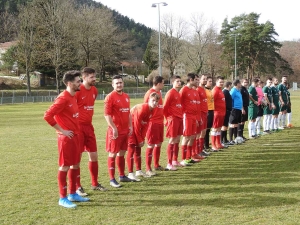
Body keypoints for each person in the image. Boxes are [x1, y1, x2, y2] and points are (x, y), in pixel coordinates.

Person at [44, 70, 89, 209]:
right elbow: (48, 115)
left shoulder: (73, 96)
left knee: (75, 165)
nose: (80, 83)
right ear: (69, 83)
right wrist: (62, 130)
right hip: (66, 138)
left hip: (76, 136)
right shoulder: (63, 98)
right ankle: (62, 198)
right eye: (77, 81)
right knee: (64, 166)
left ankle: (72, 193)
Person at [75, 67, 106, 197]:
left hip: (89, 127)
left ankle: (95, 183)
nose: (95, 79)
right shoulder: (77, 91)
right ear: (84, 77)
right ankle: (77, 186)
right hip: (78, 128)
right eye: (92, 77)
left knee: (93, 156)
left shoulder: (94, 90)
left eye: (94, 76)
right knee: (77, 159)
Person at [104, 75, 132, 188]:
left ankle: (122, 176)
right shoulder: (110, 97)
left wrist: (131, 126)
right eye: (117, 83)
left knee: (122, 152)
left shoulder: (126, 96)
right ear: (113, 85)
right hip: (115, 131)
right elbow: (107, 115)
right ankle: (112, 179)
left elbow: (128, 113)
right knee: (113, 153)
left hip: (125, 130)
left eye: (120, 82)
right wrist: (114, 128)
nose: (119, 85)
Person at [127, 92, 160, 180]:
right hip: (130, 127)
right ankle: (130, 173)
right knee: (131, 149)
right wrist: (139, 139)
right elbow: (137, 125)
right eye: (153, 100)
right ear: (148, 100)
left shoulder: (152, 110)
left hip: (136, 128)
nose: (154, 103)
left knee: (138, 149)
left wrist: (142, 138)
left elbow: (146, 125)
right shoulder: (143, 108)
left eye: (156, 101)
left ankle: (138, 171)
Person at [144, 76, 165, 173]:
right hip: (152, 123)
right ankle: (148, 168)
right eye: (163, 83)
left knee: (159, 144)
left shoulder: (159, 93)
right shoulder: (150, 93)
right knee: (151, 145)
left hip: (160, 122)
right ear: (158, 83)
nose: (164, 85)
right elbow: (145, 107)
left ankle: (156, 165)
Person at [163, 76, 183, 169]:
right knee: (172, 140)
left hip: (179, 118)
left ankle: (175, 160)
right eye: (177, 81)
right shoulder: (170, 93)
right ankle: (169, 163)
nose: (179, 83)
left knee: (177, 139)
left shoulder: (178, 93)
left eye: (180, 81)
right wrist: (167, 119)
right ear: (172, 82)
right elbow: (164, 108)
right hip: (173, 119)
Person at [179, 73, 199, 166]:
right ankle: (183, 159)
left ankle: (188, 157)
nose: (197, 81)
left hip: (194, 116)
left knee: (192, 137)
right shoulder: (184, 90)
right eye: (196, 79)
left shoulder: (192, 90)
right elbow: (179, 103)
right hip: (187, 116)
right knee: (186, 137)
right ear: (191, 80)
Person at [196, 74, 210, 158]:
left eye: (206, 79)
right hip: (200, 114)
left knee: (203, 132)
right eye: (203, 79)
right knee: (200, 133)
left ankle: (201, 150)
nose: (205, 80)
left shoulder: (203, 89)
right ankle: (198, 151)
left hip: (205, 113)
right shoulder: (198, 89)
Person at [211, 76, 226, 151]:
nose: (221, 83)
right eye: (220, 82)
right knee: (215, 129)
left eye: (222, 82)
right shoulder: (215, 90)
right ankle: (213, 145)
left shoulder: (220, 90)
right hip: (216, 113)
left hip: (222, 113)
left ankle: (218, 143)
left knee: (219, 129)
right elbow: (212, 101)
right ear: (216, 82)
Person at [228, 79, 243, 144]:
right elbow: (230, 99)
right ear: (237, 84)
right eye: (240, 83)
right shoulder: (233, 90)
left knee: (236, 124)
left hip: (239, 109)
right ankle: (230, 139)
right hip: (234, 109)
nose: (241, 84)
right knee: (232, 124)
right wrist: (232, 108)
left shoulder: (238, 90)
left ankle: (235, 138)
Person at [204, 76, 214, 150]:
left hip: (211, 110)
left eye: (211, 81)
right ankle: (205, 145)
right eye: (209, 81)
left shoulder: (210, 90)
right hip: (207, 110)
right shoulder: (204, 90)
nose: (211, 83)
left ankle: (207, 145)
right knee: (206, 129)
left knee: (208, 129)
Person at [221, 81, 232, 145]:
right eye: (231, 85)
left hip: (228, 110)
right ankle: (221, 140)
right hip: (225, 110)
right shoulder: (225, 92)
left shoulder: (227, 92)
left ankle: (225, 139)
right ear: (229, 85)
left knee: (226, 126)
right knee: (224, 126)